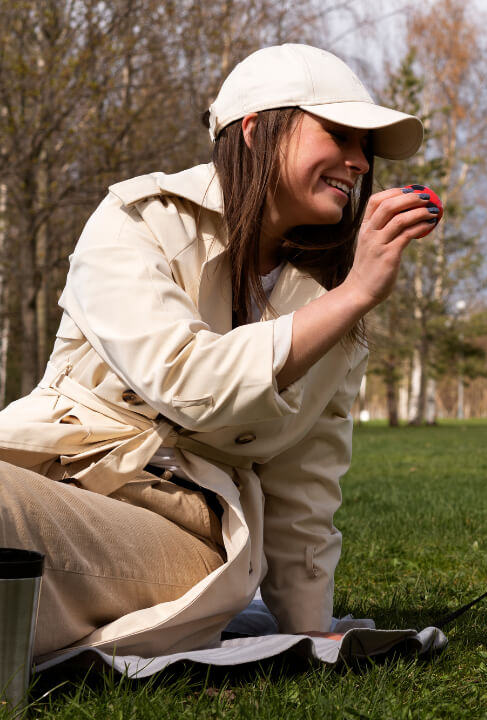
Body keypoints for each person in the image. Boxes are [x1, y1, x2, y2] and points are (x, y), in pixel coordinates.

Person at [0, 44, 436, 660]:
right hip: (42, 473)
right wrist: (352, 296)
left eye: (367, 148)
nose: (360, 162)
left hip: (181, 526)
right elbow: (184, 375)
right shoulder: (138, 220)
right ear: (256, 132)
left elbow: (305, 482)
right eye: (339, 134)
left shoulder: (336, 301)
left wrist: (308, 627)